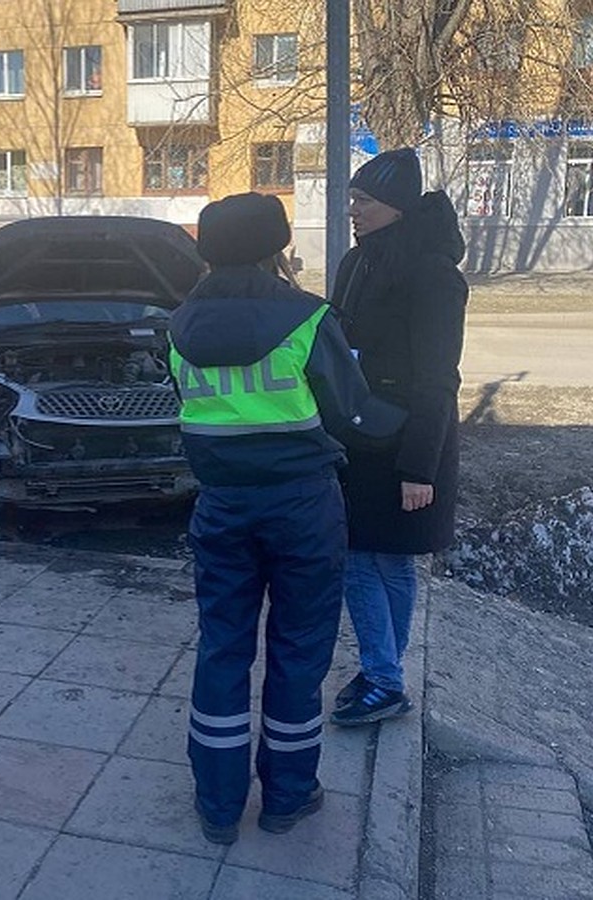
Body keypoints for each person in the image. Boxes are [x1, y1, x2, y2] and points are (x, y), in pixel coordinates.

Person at [169, 192, 404, 844]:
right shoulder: (306, 318)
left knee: (221, 649)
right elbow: (349, 414)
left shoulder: (178, 326)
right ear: (276, 248)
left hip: (220, 506)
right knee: (299, 653)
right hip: (301, 507)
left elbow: (186, 410)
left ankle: (217, 806)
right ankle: (287, 797)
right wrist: (407, 426)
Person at [328, 148, 468, 726]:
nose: (353, 209)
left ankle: (384, 678)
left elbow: (438, 379)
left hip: (406, 439)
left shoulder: (435, 276)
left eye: (364, 200)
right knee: (380, 560)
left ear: (397, 208)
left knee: (368, 559)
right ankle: (384, 671)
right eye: (353, 199)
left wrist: (419, 468)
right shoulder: (357, 262)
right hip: (360, 434)